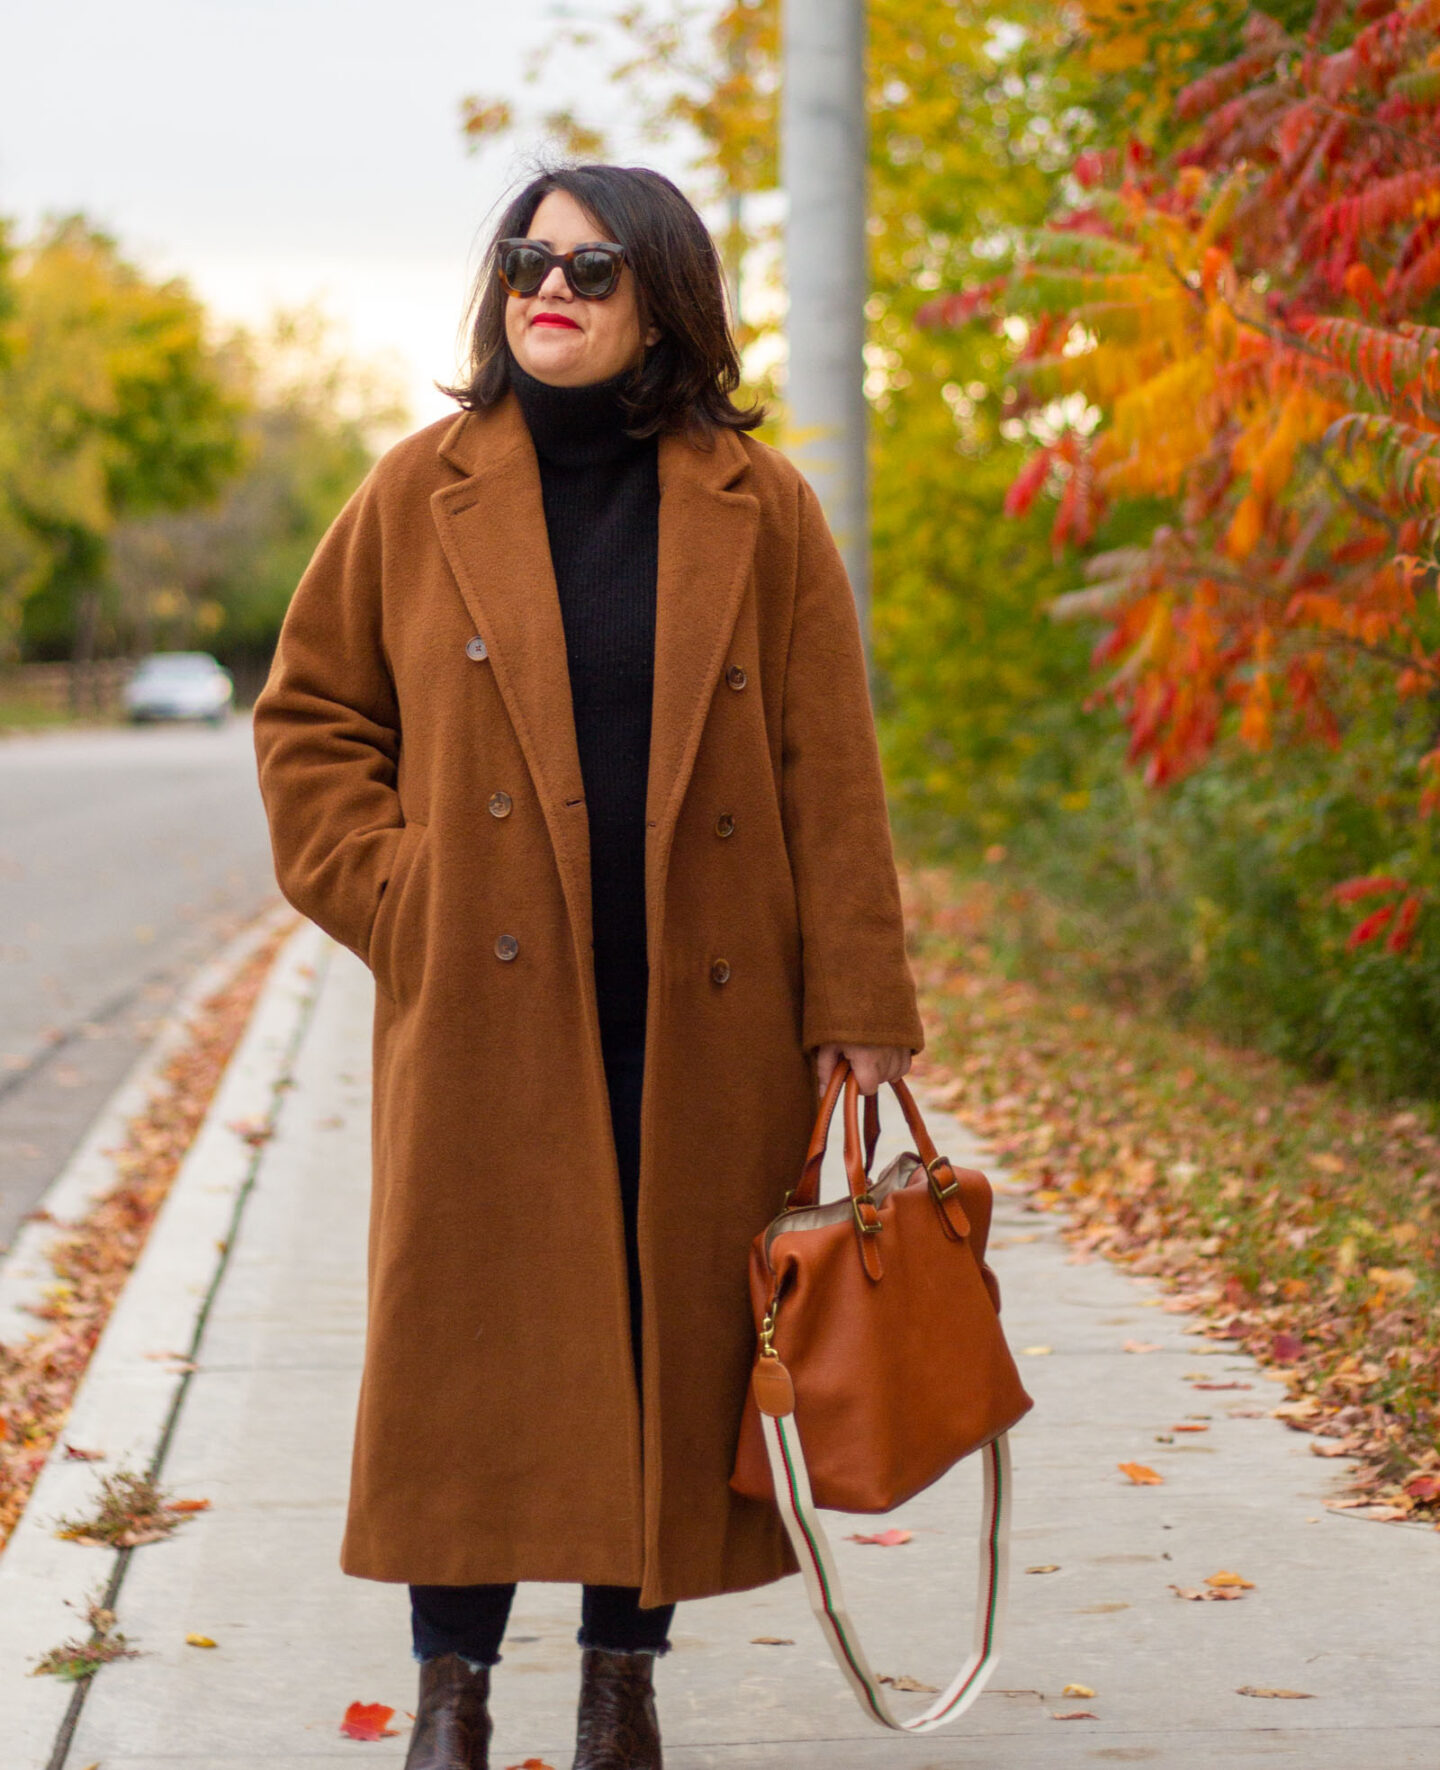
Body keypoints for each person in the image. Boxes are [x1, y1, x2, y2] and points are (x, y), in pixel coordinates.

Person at [251, 163, 921, 1770]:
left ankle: (624, 1687)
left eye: (592, 266)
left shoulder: (762, 508)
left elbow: (830, 766)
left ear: (662, 298)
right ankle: (451, 1695)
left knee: (669, 1340)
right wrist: (401, 896)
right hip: (484, 1008)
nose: (550, 286)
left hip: (706, 1013)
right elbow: (310, 724)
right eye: (525, 259)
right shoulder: (420, 491)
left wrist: (861, 1004)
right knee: (469, 1346)